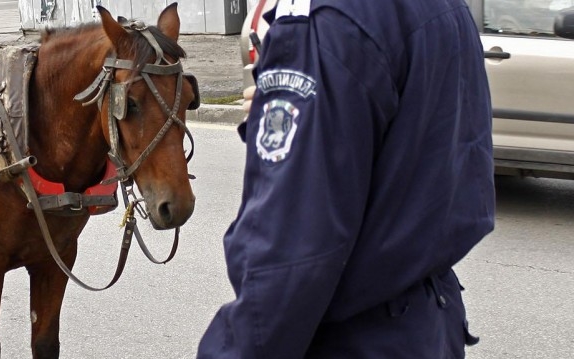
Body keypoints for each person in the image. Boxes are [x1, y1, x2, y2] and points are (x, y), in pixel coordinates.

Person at [197, 0, 495, 357]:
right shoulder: (445, 6)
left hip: (354, 338)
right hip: (427, 324)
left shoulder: (327, 21)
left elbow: (290, 259)